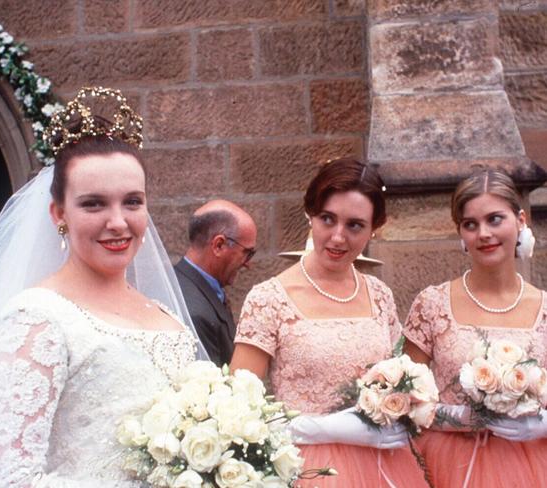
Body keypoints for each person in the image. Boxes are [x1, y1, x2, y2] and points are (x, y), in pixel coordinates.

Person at [0, 87, 206, 487]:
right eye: (93, 204)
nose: (118, 221)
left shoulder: (162, 313)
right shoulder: (36, 322)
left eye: (132, 201)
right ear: (58, 213)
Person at [230, 158, 429, 487]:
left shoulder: (380, 295)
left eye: (354, 225)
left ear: (373, 228)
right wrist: (320, 428)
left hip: (385, 467)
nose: (338, 237)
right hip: (310, 468)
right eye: (327, 219)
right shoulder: (269, 298)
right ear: (311, 215)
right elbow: (240, 407)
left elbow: (401, 379)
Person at [403, 169, 547, 487]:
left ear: (520, 220)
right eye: (470, 224)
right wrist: (462, 418)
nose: (483, 233)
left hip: (532, 465)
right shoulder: (432, 304)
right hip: (446, 464)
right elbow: (407, 401)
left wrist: (541, 424)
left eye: (495, 219)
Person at [174, 200, 257, 366]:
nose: (248, 264)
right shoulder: (195, 313)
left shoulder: (183, 283)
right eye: (247, 253)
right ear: (219, 245)